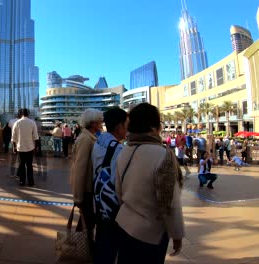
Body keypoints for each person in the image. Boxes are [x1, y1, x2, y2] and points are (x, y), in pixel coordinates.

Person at [115, 103, 184, 264]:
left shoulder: (124, 151)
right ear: (155, 126)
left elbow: (118, 190)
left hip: (124, 224)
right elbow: (169, 201)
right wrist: (177, 233)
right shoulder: (163, 154)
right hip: (150, 233)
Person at [91, 107, 128, 264]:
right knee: (109, 249)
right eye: (127, 125)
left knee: (101, 243)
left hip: (98, 204)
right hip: (111, 209)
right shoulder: (119, 149)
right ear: (119, 126)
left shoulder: (99, 141)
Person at [70, 108, 103, 255]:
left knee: (87, 222)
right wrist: (78, 196)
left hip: (90, 189)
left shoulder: (91, 137)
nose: (101, 122)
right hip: (87, 190)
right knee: (88, 223)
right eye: (99, 120)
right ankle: (84, 250)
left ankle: (83, 249)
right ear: (93, 123)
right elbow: (80, 168)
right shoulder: (85, 139)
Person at [12, 109, 38, 186]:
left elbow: (14, 137)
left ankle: (22, 181)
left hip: (20, 148)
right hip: (30, 147)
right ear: (28, 114)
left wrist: (14, 147)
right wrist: (35, 148)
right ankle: (30, 182)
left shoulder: (17, 123)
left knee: (21, 165)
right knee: (29, 165)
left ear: (21, 114)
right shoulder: (32, 122)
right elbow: (36, 137)